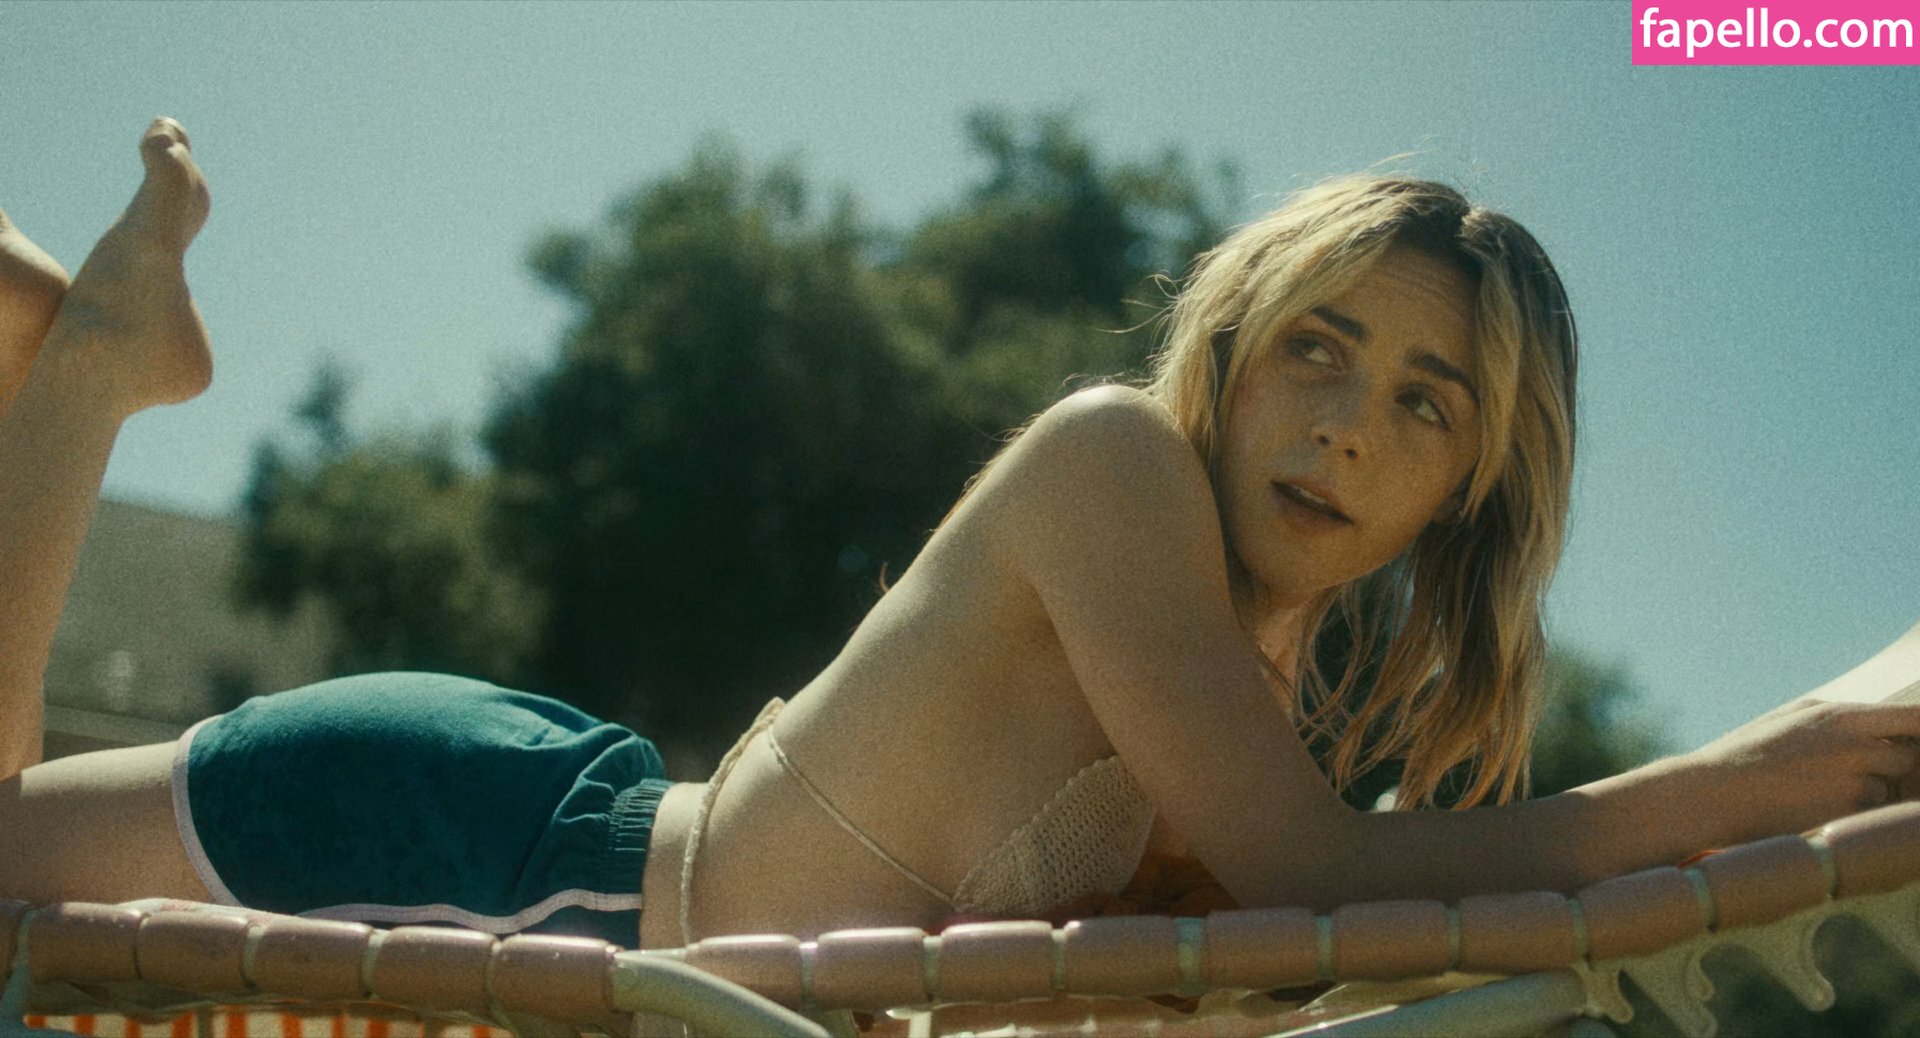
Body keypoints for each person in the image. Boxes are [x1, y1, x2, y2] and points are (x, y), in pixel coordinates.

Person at [3, 120, 1916, 955]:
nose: (1348, 420)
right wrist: (1774, 765)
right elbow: (1313, 867)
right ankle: (89, 360)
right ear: (1235, 352)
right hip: (500, 859)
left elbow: (1353, 905)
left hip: (583, 821)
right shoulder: (1111, 468)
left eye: (1425, 402)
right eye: (1319, 347)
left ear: (1467, 490)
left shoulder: (1254, 682)